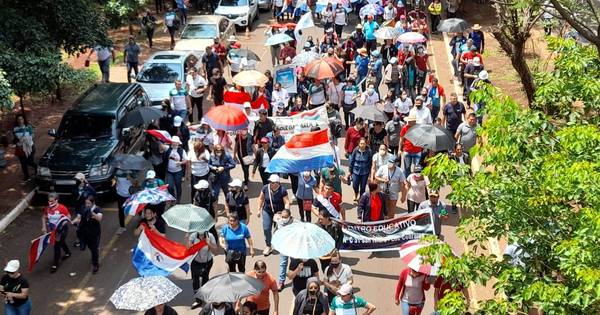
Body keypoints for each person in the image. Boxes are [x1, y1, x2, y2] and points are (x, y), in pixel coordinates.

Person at [257, 174, 290, 256]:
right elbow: (261, 198)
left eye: (273, 182)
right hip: (267, 210)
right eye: (270, 182)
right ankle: (268, 246)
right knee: (266, 228)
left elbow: (286, 202)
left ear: (277, 183)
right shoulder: (265, 188)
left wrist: (286, 211)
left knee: (279, 230)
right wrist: (258, 209)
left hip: (279, 213)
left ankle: (280, 243)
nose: (271, 184)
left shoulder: (282, 190)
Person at [71, 195, 102, 274]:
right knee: (91, 248)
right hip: (85, 232)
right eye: (86, 203)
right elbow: (78, 218)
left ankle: (95, 264)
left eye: (89, 203)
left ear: (93, 202)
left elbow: (99, 218)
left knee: (94, 249)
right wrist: (72, 221)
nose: (87, 205)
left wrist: (92, 213)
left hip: (94, 233)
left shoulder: (97, 209)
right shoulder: (83, 208)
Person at [188, 229, 219, 309]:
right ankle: (198, 300)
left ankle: (204, 297)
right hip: (195, 262)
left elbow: (215, 250)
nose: (201, 235)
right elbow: (188, 249)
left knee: (205, 279)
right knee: (195, 281)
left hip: (207, 262)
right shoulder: (193, 236)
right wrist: (188, 240)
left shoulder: (210, 236)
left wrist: (209, 243)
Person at [42, 192, 71, 273]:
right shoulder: (47, 208)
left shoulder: (62, 208)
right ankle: (68, 252)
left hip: (62, 230)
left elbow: (68, 217)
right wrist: (44, 227)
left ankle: (55, 264)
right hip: (52, 231)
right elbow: (44, 217)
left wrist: (61, 225)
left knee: (56, 246)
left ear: (57, 200)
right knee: (61, 242)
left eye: (52, 201)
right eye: (49, 201)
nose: (50, 203)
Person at [12, 114, 37, 181]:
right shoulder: (15, 129)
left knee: (29, 161)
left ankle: (37, 169)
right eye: (18, 119)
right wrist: (17, 140)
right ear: (17, 120)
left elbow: (33, 135)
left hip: (30, 147)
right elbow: (14, 139)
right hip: (20, 148)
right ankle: (26, 176)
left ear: (24, 120)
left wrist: (27, 138)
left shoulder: (28, 127)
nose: (20, 121)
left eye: (21, 119)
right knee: (23, 163)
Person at [163, 136, 188, 203]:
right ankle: (173, 197)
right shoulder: (168, 149)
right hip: (169, 171)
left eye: (176, 143)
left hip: (178, 172)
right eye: (173, 143)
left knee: (178, 186)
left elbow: (186, 160)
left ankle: (178, 198)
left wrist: (180, 163)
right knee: (170, 186)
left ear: (178, 143)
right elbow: (161, 147)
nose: (174, 145)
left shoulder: (182, 151)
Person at [114, 169, 135, 235]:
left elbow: (136, 183)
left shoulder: (132, 172)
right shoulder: (117, 172)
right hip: (120, 194)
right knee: (121, 211)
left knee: (135, 207)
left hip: (130, 195)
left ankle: (142, 216)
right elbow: (115, 181)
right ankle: (122, 227)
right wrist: (115, 179)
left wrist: (131, 178)